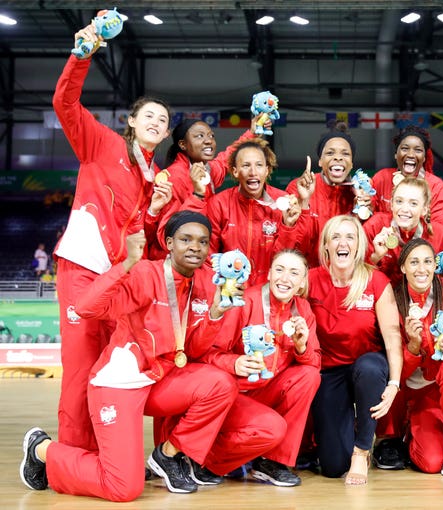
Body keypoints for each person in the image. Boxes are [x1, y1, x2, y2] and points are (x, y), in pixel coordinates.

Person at [20, 211, 239, 501]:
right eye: (186, 239)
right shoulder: (146, 273)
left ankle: (168, 455)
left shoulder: (203, 283)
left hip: (160, 381)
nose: (195, 247)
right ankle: (42, 449)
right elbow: (86, 307)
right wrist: (126, 265)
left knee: (220, 384)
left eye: (202, 241)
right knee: (125, 487)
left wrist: (214, 315)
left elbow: (195, 350)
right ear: (170, 243)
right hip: (121, 382)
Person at [52, 23, 173, 451]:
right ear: (131, 121)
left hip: (122, 279)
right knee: (82, 364)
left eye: (164, 120)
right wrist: (82, 53)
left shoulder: (155, 177)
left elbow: (144, 235)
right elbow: (65, 103)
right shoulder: (101, 144)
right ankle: (68, 455)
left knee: (108, 367)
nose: (158, 122)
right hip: (85, 267)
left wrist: (155, 210)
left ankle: (105, 456)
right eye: (150, 116)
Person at [201, 249, 321, 486]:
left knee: (308, 375)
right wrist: (234, 363)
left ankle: (272, 462)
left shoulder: (303, 309)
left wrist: (301, 346)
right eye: (279, 269)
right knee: (273, 428)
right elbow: (208, 353)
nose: (284, 278)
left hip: (266, 391)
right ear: (268, 274)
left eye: (294, 273)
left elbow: (314, 362)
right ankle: (205, 459)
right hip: (234, 395)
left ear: (301, 284)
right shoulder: (247, 302)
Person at [307, 215, 403, 485]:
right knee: (333, 466)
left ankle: (362, 451)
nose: (342, 242)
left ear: (359, 245)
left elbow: (393, 336)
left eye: (350, 236)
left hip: (367, 364)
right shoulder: (311, 280)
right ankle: (343, 442)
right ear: (326, 245)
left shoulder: (375, 280)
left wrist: (394, 383)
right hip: (330, 371)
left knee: (370, 368)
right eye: (336, 237)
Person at [374, 238, 443, 477]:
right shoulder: (391, 299)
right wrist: (412, 346)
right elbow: (394, 366)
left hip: (441, 388)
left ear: (435, 265)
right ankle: (403, 431)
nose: (421, 269)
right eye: (414, 262)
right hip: (408, 390)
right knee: (430, 463)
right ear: (403, 267)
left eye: (427, 262)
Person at [183, 138, 306, 286]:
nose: (253, 172)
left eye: (259, 165)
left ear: (267, 170)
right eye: (246, 165)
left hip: (269, 291)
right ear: (235, 171)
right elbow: (209, 256)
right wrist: (222, 287)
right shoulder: (220, 203)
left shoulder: (282, 203)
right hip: (230, 291)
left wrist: (288, 226)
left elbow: (287, 258)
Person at [146, 116, 267, 260]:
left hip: (196, 255)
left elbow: (226, 159)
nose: (209, 140)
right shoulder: (174, 178)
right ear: (183, 144)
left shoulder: (206, 169)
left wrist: (252, 133)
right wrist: (197, 196)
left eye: (211, 136)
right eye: (199, 136)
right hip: (171, 264)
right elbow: (166, 236)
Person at [364, 177, 443, 286]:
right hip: (382, 298)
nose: (404, 209)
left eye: (413, 203)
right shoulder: (375, 226)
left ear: (424, 209)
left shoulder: (441, 235)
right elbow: (356, 274)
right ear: (391, 204)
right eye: (399, 201)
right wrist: (376, 256)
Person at [287, 122, 362, 267]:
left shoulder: (360, 195)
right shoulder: (299, 187)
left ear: (351, 163)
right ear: (320, 161)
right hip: (306, 278)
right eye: (330, 153)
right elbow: (289, 242)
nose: (338, 158)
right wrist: (304, 202)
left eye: (345, 153)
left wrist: (362, 212)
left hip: (343, 278)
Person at [371, 125, 443, 225]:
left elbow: (438, 228)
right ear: (396, 154)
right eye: (405, 148)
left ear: (424, 157)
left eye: (418, 150)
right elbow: (370, 218)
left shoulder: (437, 186)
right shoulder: (381, 178)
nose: (411, 155)